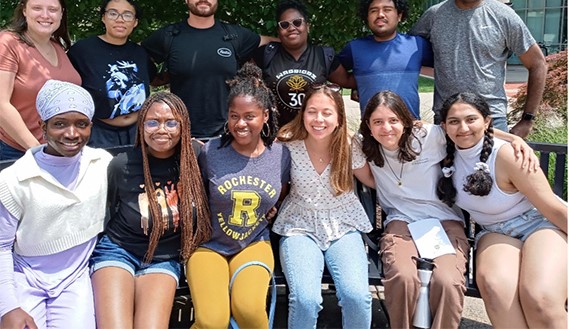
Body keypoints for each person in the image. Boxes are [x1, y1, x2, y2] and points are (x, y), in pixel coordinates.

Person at [352, 90, 540, 329]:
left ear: (405, 121)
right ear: (368, 125)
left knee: (447, 280)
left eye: (393, 120)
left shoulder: (428, 137)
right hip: (401, 222)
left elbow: (470, 133)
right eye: (378, 122)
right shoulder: (365, 145)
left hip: (444, 221)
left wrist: (515, 140)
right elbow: (338, 137)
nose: (386, 128)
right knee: (403, 277)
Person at [437, 92, 567, 329]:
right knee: (496, 289)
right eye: (454, 121)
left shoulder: (507, 155)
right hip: (494, 231)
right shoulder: (444, 150)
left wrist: (513, 141)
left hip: (540, 224)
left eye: (471, 119)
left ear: (487, 121)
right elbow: (401, 127)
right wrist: (513, 136)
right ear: (444, 126)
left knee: (540, 297)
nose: (463, 128)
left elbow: (552, 207)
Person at [90, 92, 211, 329]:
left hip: (164, 259)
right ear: (141, 126)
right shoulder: (121, 164)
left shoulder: (197, 158)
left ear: (183, 125)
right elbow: (108, 208)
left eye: (171, 122)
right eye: (152, 122)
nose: (161, 130)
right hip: (119, 250)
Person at [0, 80, 111, 329]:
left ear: (90, 126)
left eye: (81, 124)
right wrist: (8, 307)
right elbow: (1, 246)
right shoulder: (14, 179)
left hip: (75, 277)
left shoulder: (102, 164)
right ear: (43, 127)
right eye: (60, 124)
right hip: (24, 276)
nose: (71, 134)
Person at [186, 63, 290, 328]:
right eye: (234, 116)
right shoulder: (209, 152)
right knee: (212, 321)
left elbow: (284, 191)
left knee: (250, 311)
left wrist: (273, 207)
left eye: (249, 116)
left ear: (265, 116)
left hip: (254, 242)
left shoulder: (281, 155)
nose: (240, 123)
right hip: (208, 245)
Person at [410, 0, 547, 137]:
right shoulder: (434, 16)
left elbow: (538, 63)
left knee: (491, 168)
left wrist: (527, 119)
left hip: (491, 120)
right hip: (446, 120)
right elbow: (406, 54)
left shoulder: (504, 16)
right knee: (445, 168)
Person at [272, 82, 373, 329]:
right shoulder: (286, 143)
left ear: (338, 117)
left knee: (357, 297)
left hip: (344, 224)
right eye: (312, 111)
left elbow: (373, 181)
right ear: (303, 113)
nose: (319, 119)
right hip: (299, 225)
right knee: (305, 300)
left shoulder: (349, 146)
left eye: (327, 113)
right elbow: (273, 184)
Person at [142, 0, 277, 140]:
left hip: (227, 135)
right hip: (181, 136)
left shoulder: (234, 35)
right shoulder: (169, 35)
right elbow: (135, 54)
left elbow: (273, 41)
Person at [0, 0, 81, 160]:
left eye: (52, 9)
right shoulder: (8, 43)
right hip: (18, 151)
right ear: (24, 11)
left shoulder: (57, 46)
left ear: (61, 14)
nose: (45, 15)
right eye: (37, 8)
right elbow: (1, 105)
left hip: (58, 150)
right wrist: (37, 150)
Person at [68, 0, 155, 148]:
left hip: (139, 130)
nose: (120, 19)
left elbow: (153, 80)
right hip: (100, 133)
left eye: (127, 15)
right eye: (113, 13)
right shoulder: (83, 50)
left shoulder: (140, 53)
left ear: (135, 22)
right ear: (103, 17)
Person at [334, 0, 433, 119]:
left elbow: (443, 67)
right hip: (371, 130)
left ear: (399, 16)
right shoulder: (355, 48)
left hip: (411, 128)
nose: (380, 14)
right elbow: (336, 72)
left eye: (387, 9)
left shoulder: (417, 45)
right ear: (367, 17)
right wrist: (359, 84)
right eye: (374, 10)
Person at [254, 0, 348, 127]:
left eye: (297, 22)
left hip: (313, 132)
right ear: (279, 31)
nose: (292, 28)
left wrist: (359, 89)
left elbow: (349, 81)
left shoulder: (324, 55)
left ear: (307, 26)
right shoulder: (266, 54)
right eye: (285, 25)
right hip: (277, 136)